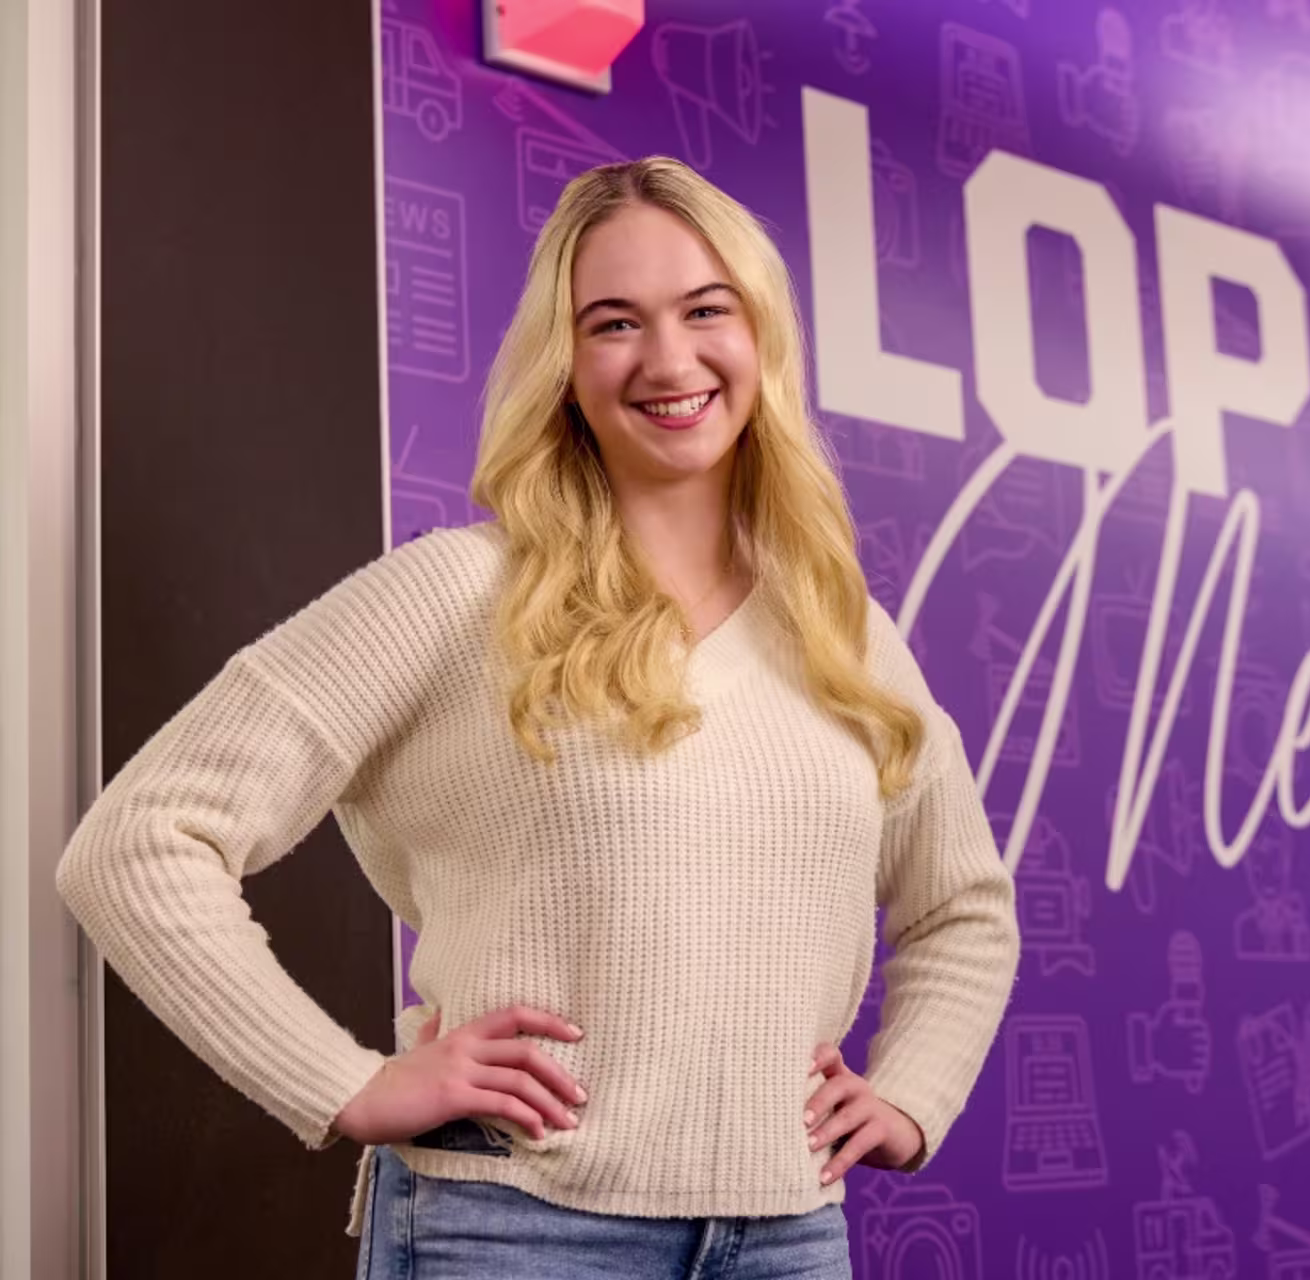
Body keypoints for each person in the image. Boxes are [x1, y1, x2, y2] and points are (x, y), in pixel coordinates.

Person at [55, 157, 1021, 1279]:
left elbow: (964, 906)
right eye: (614, 323)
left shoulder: (844, 631)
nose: (670, 359)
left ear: (762, 337)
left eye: (707, 310)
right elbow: (136, 841)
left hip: (789, 1235)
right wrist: (343, 1079)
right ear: (564, 370)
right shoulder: (458, 591)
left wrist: (910, 1093)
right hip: (514, 1230)